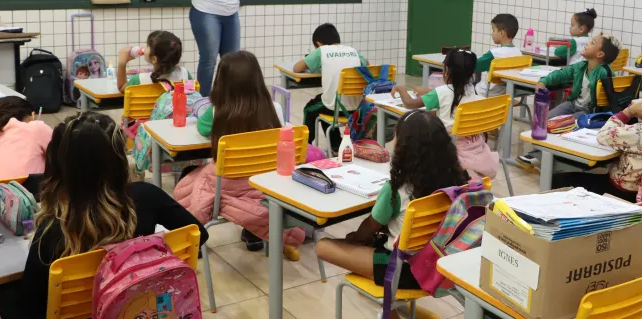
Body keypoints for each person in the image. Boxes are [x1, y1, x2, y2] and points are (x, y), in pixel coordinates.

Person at [21, 112, 208, 318]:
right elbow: (200, 234)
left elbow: (31, 306)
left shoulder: (52, 230)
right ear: (118, 161)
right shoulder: (147, 196)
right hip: (137, 309)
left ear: (57, 165)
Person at [314, 111, 469, 306]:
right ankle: (391, 308)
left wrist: (352, 240)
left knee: (324, 246)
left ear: (402, 146)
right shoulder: (458, 180)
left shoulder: (397, 188)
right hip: (440, 264)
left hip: (403, 270)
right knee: (374, 241)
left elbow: (367, 230)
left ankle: (385, 298)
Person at [175, 51, 304, 258]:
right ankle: (253, 233)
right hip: (266, 183)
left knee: (188, 177)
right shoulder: (276, 109)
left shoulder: (217, 110)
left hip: (229, 182)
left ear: (221, 80)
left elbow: (201, 128)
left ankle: (191, 239)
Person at [555, 75, 642, 202]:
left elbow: (603, 136)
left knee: (556, 179)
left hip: (615, 191)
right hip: (640, 191)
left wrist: (629, 112)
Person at [518, 34, 622, 167]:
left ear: (600, 54)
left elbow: (610, 97)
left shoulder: (604, 72)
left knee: (560, 125)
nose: (587, 43)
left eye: (593, 42)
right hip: (573, 104)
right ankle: (539, 153)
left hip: (588, 113)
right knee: (545, 119)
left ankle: (542, 157)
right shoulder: (581, 66)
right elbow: (561, 74)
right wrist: (543, 82)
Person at [392, 49, 498, 179]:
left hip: (449, 149)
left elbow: (409, 103)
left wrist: (401, 89)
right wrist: (430, 92)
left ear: (447, 71)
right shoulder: (475, 94)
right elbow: (452, 94)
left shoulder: (442, 92)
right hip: (476, 147)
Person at [295, 23, 367, 151]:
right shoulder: (353, 51)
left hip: (334, 108)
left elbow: (297, 68)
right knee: (324, 100)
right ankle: (335, 143)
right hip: (357, 109)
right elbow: (367, 66)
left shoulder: (322, 51)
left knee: (311, 108)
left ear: (318, 43)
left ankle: (305, 147)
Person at [0, 96, 51, 181]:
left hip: (0, 192)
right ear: (31, 116)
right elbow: (65, 153)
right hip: (36, 191)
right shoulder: (36, 128)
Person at [116, 30, 192, 92]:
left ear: (154, 59)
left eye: (147, 46)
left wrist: (122, 63)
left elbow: (121, 88)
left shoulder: (139, 80)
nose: (144, 48)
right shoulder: (185, 73)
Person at [474, 13, 522, 97]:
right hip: (505, 95)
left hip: (485, 93)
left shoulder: (494, 54)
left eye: (493, 30)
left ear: (502, 33)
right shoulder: (519, 53)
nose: (492, 33)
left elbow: (474, 66)